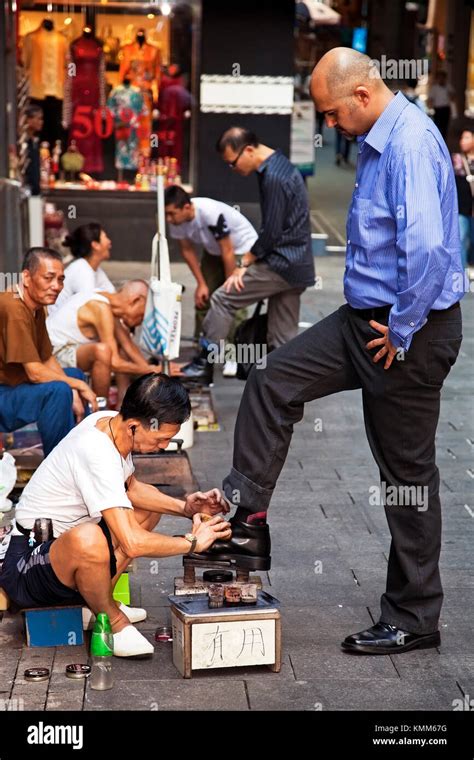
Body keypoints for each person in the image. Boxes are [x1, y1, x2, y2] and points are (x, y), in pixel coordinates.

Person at [192, 49, 465, 656]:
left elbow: (428, 252)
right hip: (361, 323)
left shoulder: (410, 145)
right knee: (272, 380)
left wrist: (401, 329)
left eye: (331, 114)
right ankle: (247, 519)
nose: (329, 126)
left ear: (362, 97)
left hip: (404, 332)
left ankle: (416, 616)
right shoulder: (375, 138)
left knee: (406, 479)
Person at [0, 373, 231, 657]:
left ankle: (96, 605)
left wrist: (187, 508)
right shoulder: (95, 450)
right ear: (135, 425)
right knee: (90, 538)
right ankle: (112, 619)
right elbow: (132, 543)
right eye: (161, 439)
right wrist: (193, 542)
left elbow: (130, 488)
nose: (162, 447)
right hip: (28, 563)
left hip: (60, 553)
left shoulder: (114, 422)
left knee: (146, 509)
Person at [181, 128, 315, 383]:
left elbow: (271, 232)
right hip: (298, 266)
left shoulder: (273, 176)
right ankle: (282, 387)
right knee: (281, 339)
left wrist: (244, 263)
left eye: (232, 162)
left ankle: (204, 363)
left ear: (249, 150)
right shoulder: (280, 167)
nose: (232, 169)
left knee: (222, 299)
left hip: (282, 263)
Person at [0, 248, 97, 456]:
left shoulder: (36, 306)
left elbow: (46, 357)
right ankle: (58, 467)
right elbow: (35, 372)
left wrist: (74, 387)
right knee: (59, 390)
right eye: (48, 278)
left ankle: (79, 454)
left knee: (73, 376)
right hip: (3, 393)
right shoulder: (13, 307)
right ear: (26, 277)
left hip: (14, 386)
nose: (56, 286)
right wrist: (74, 386)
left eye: (61, 280)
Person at [165, 184, 257, 376]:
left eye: (172, 214)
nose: (169, 219)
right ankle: (205, 353)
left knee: (232, 301)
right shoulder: (177, 221)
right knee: (203, 299)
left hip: (240, 250)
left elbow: (228, 250)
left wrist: (229, 283)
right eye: (167, 214)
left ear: (187, 208)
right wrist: (201, 283)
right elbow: (187, 250)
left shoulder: (211, 213)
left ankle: (233, 355)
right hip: (214, 251)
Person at [46, 280, 177, 398]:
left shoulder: (107, 302)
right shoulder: (100, 307)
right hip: (51, 355)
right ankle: (100, 410)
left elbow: (127, 344)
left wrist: (156, 373)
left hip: (67, 351)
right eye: (142, 315)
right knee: (102, 352)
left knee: (118, 346)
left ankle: (123, 403)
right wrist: (150, 370)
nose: (141, 321)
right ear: (135, 300)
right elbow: (113, 362)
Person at [48, 222, 115, 314]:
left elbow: (113, 296)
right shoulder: (81, 269)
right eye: (105, 237)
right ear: (95, 245)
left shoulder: (96, 270)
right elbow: (90, 308)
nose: (109, 242)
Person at [451, 127, 474, 272]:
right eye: (462, 138)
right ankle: (463, 270)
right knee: (462, 238)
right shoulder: (457, 159)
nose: (462, 141)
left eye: (466, 138)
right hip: (461, 207)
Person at [428, 70, 455, 141]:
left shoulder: (448, 86)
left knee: (445, 127)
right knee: (437, 126)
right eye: (440, 78)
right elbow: (430, 99)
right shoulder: (434, 87)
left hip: (446, 109)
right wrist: (430, 109)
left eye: (443, 78)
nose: (441, 79)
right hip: (438, 109)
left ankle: (444, 140)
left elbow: (453, 97)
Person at [24, 104, 43, 196]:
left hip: (35, 191)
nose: (41, 122)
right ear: (28, 120)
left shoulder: (34, 141)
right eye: (38, 118)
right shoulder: (23, 142)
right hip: (27, 190)